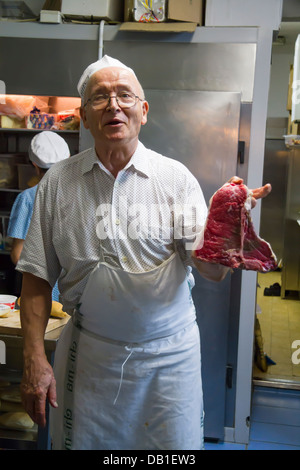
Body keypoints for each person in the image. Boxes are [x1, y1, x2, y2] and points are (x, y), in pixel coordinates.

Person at [16, 55, 271, 450]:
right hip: (91, 358)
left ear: (143, 111)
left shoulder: (174, 179)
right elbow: (35, 278)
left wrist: (226, 225)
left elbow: (211, 272)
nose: (114, 105)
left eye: (124, 95)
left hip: (169, 360)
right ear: (84, 117)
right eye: (99, 98)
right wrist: (34, 357)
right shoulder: (58, 185)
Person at [7, 131, 70, 301]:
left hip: (37, 292)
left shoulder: (27, 198)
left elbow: (17, 254)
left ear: (34, 165)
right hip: (74, 291)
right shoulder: (77, 195)